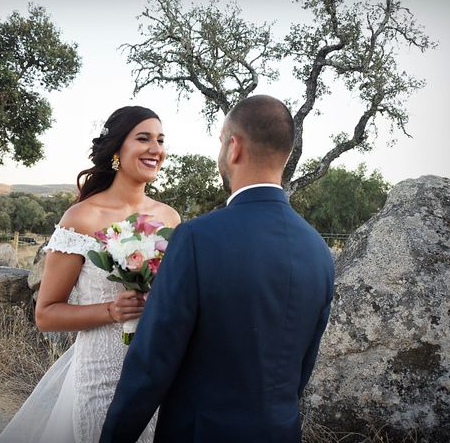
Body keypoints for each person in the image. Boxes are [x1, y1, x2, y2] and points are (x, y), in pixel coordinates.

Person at [100, 95, 335, 443]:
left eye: (221, 141)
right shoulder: (319, 251)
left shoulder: (196, 238)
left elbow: (151, 365)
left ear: (234, 147)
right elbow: (302, 368)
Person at [0, 106, 180, 443]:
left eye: (160, 140)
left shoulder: (169, 218)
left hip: (156, 374)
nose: (156, 149)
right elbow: (47, 314)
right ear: (116, 151)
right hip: (101, 376)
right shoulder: (81, 218)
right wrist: (110, 311)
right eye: (144, 139)